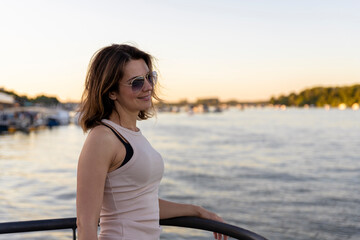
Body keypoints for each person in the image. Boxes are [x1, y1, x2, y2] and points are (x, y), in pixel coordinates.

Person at [76, 44, 227, 240]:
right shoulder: (102, 138)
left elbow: (142, 204)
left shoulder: (133, 135)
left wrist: (197, 211)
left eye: (149, 77)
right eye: (136, 82)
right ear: (111, 92)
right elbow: (85, 222)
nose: (148, 87)